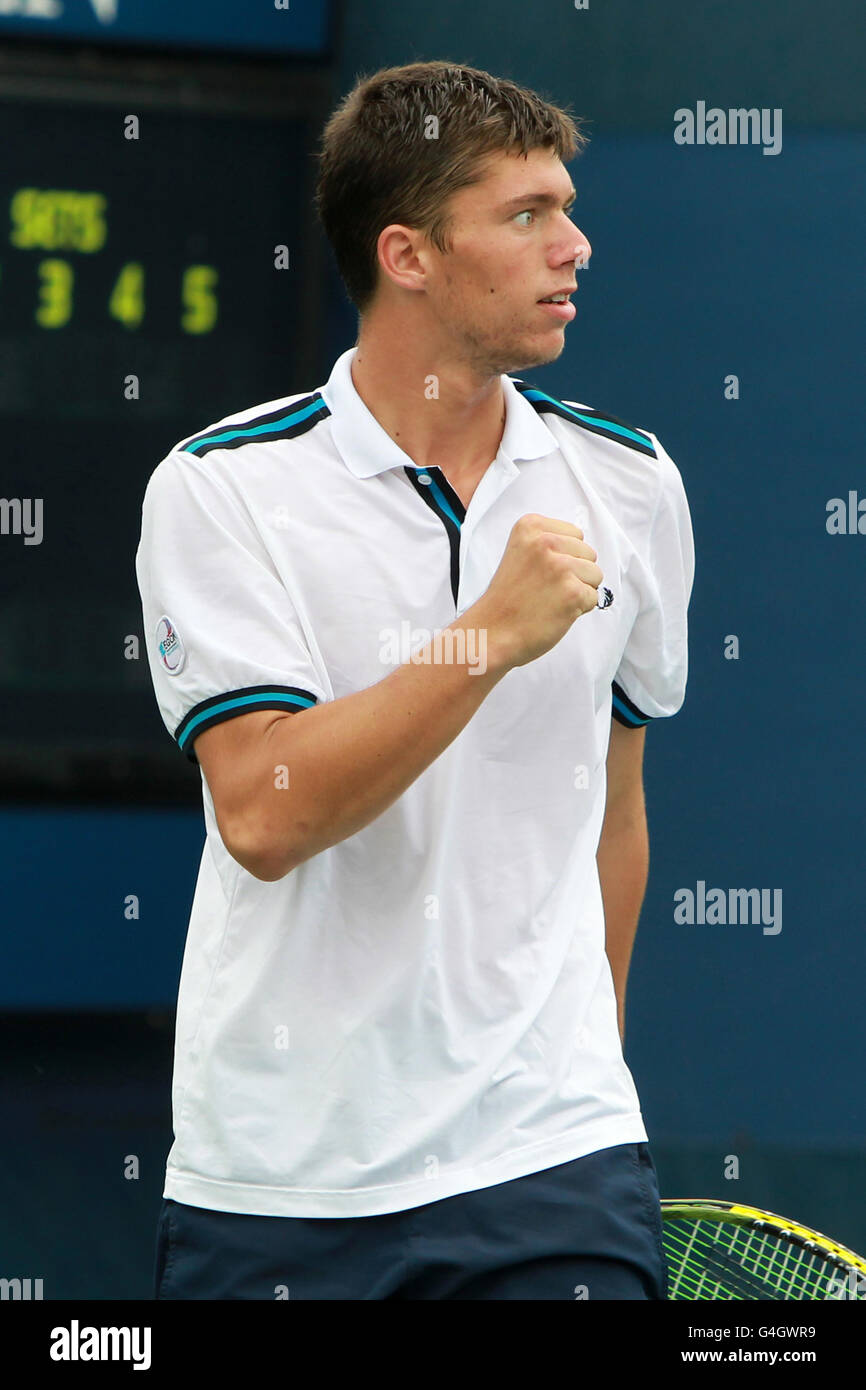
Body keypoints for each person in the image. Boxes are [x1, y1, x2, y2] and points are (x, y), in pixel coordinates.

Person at [137, 59, 694, 1300]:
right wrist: (482, 636)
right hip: (280, 1183)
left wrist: (589, 1072)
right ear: (407, 255)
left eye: (566, 206)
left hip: (553, 1159)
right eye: (525, 215)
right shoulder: (220, 489)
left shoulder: (634, 485)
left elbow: (615, 808)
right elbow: (268, 813)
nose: (574, 245)